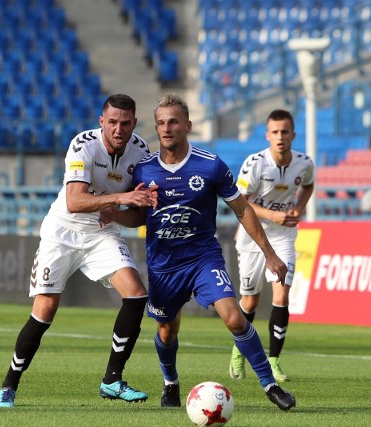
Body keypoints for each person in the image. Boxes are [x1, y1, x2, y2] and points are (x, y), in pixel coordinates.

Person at [104, 93, 296, 411]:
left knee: (234, 318)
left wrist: (269, 253)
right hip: (164, 266)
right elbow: (138, 216)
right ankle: (170, 384)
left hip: (203, 258)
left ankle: (270, 385)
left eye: (174, 121)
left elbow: (243, 209)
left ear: (188, 125)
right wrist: (115, 213)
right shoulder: (143, 170)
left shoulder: (210, 166)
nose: (166, 128)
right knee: (167, 331)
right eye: (161, 123)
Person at [0, 94, 158, 408]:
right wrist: (119, 198)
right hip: (63, 231)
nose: (118, 129)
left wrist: (122, 210)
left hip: (101, 232)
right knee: (45, 310)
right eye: (112, 122)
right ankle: (9, 385)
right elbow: (75, 201)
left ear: (135, 123)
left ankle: (112, 380)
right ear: (101, 122)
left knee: (137, 294)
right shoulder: (83, 145)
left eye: (125, 123)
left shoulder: (141, 152)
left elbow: (137, 213)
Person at [229, 109, 315, 382]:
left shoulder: (304, 164)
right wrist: (273, 215)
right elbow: (239, 202)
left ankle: (274, 361)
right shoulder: (255, 164)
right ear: (267, 135)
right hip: (252, 236)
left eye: (285, 132)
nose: (280, 137)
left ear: (293, 135)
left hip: (283, 236)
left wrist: (298, 208)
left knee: (281, 297)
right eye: (275, 132)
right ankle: (237, 352)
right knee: (250, 301)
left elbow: (309, 185)